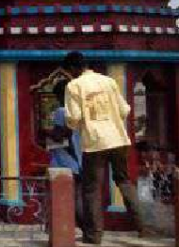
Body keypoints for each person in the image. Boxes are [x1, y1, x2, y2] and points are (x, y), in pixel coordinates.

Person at [63, 51, 145, 244]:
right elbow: (125, 110)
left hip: (94, 143)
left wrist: (75, 124)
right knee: (123, 180)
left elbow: (73, 118)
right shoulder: (108, 81)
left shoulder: (74, 85)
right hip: (117, 139)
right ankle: (142, 225)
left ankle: (94, 235)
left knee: (91, 189)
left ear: (73, 69)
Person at [48, 80, 84, 226]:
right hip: (81, 161)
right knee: (79, 197)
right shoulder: (80, 111)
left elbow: (59, 135)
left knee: (66, 199)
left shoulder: (61, 111)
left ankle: (67, 227)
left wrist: (47, 134)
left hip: (65, 161)